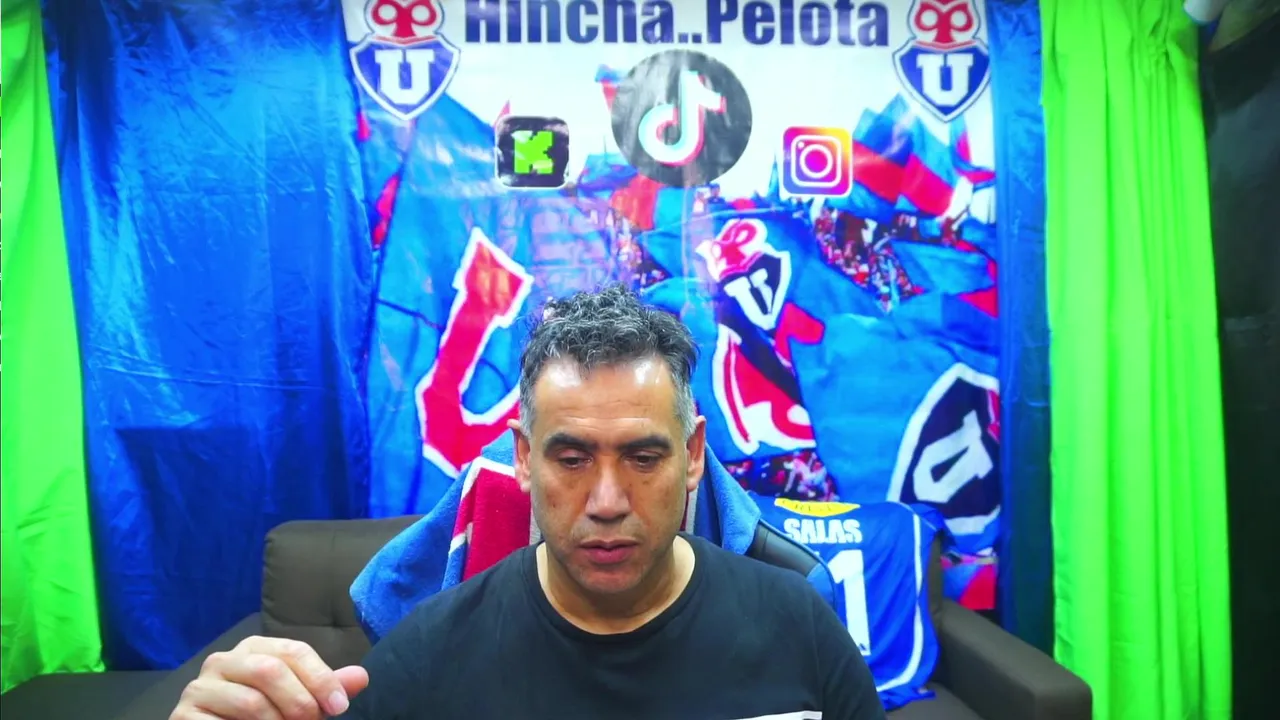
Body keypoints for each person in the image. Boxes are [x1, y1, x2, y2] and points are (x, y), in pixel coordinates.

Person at [169, 285, 885, 720]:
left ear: (693, 454)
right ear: (521, 457)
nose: (607, 501)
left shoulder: (798, 621)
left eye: (644, 458)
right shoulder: (430, 652)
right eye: (571, 459)